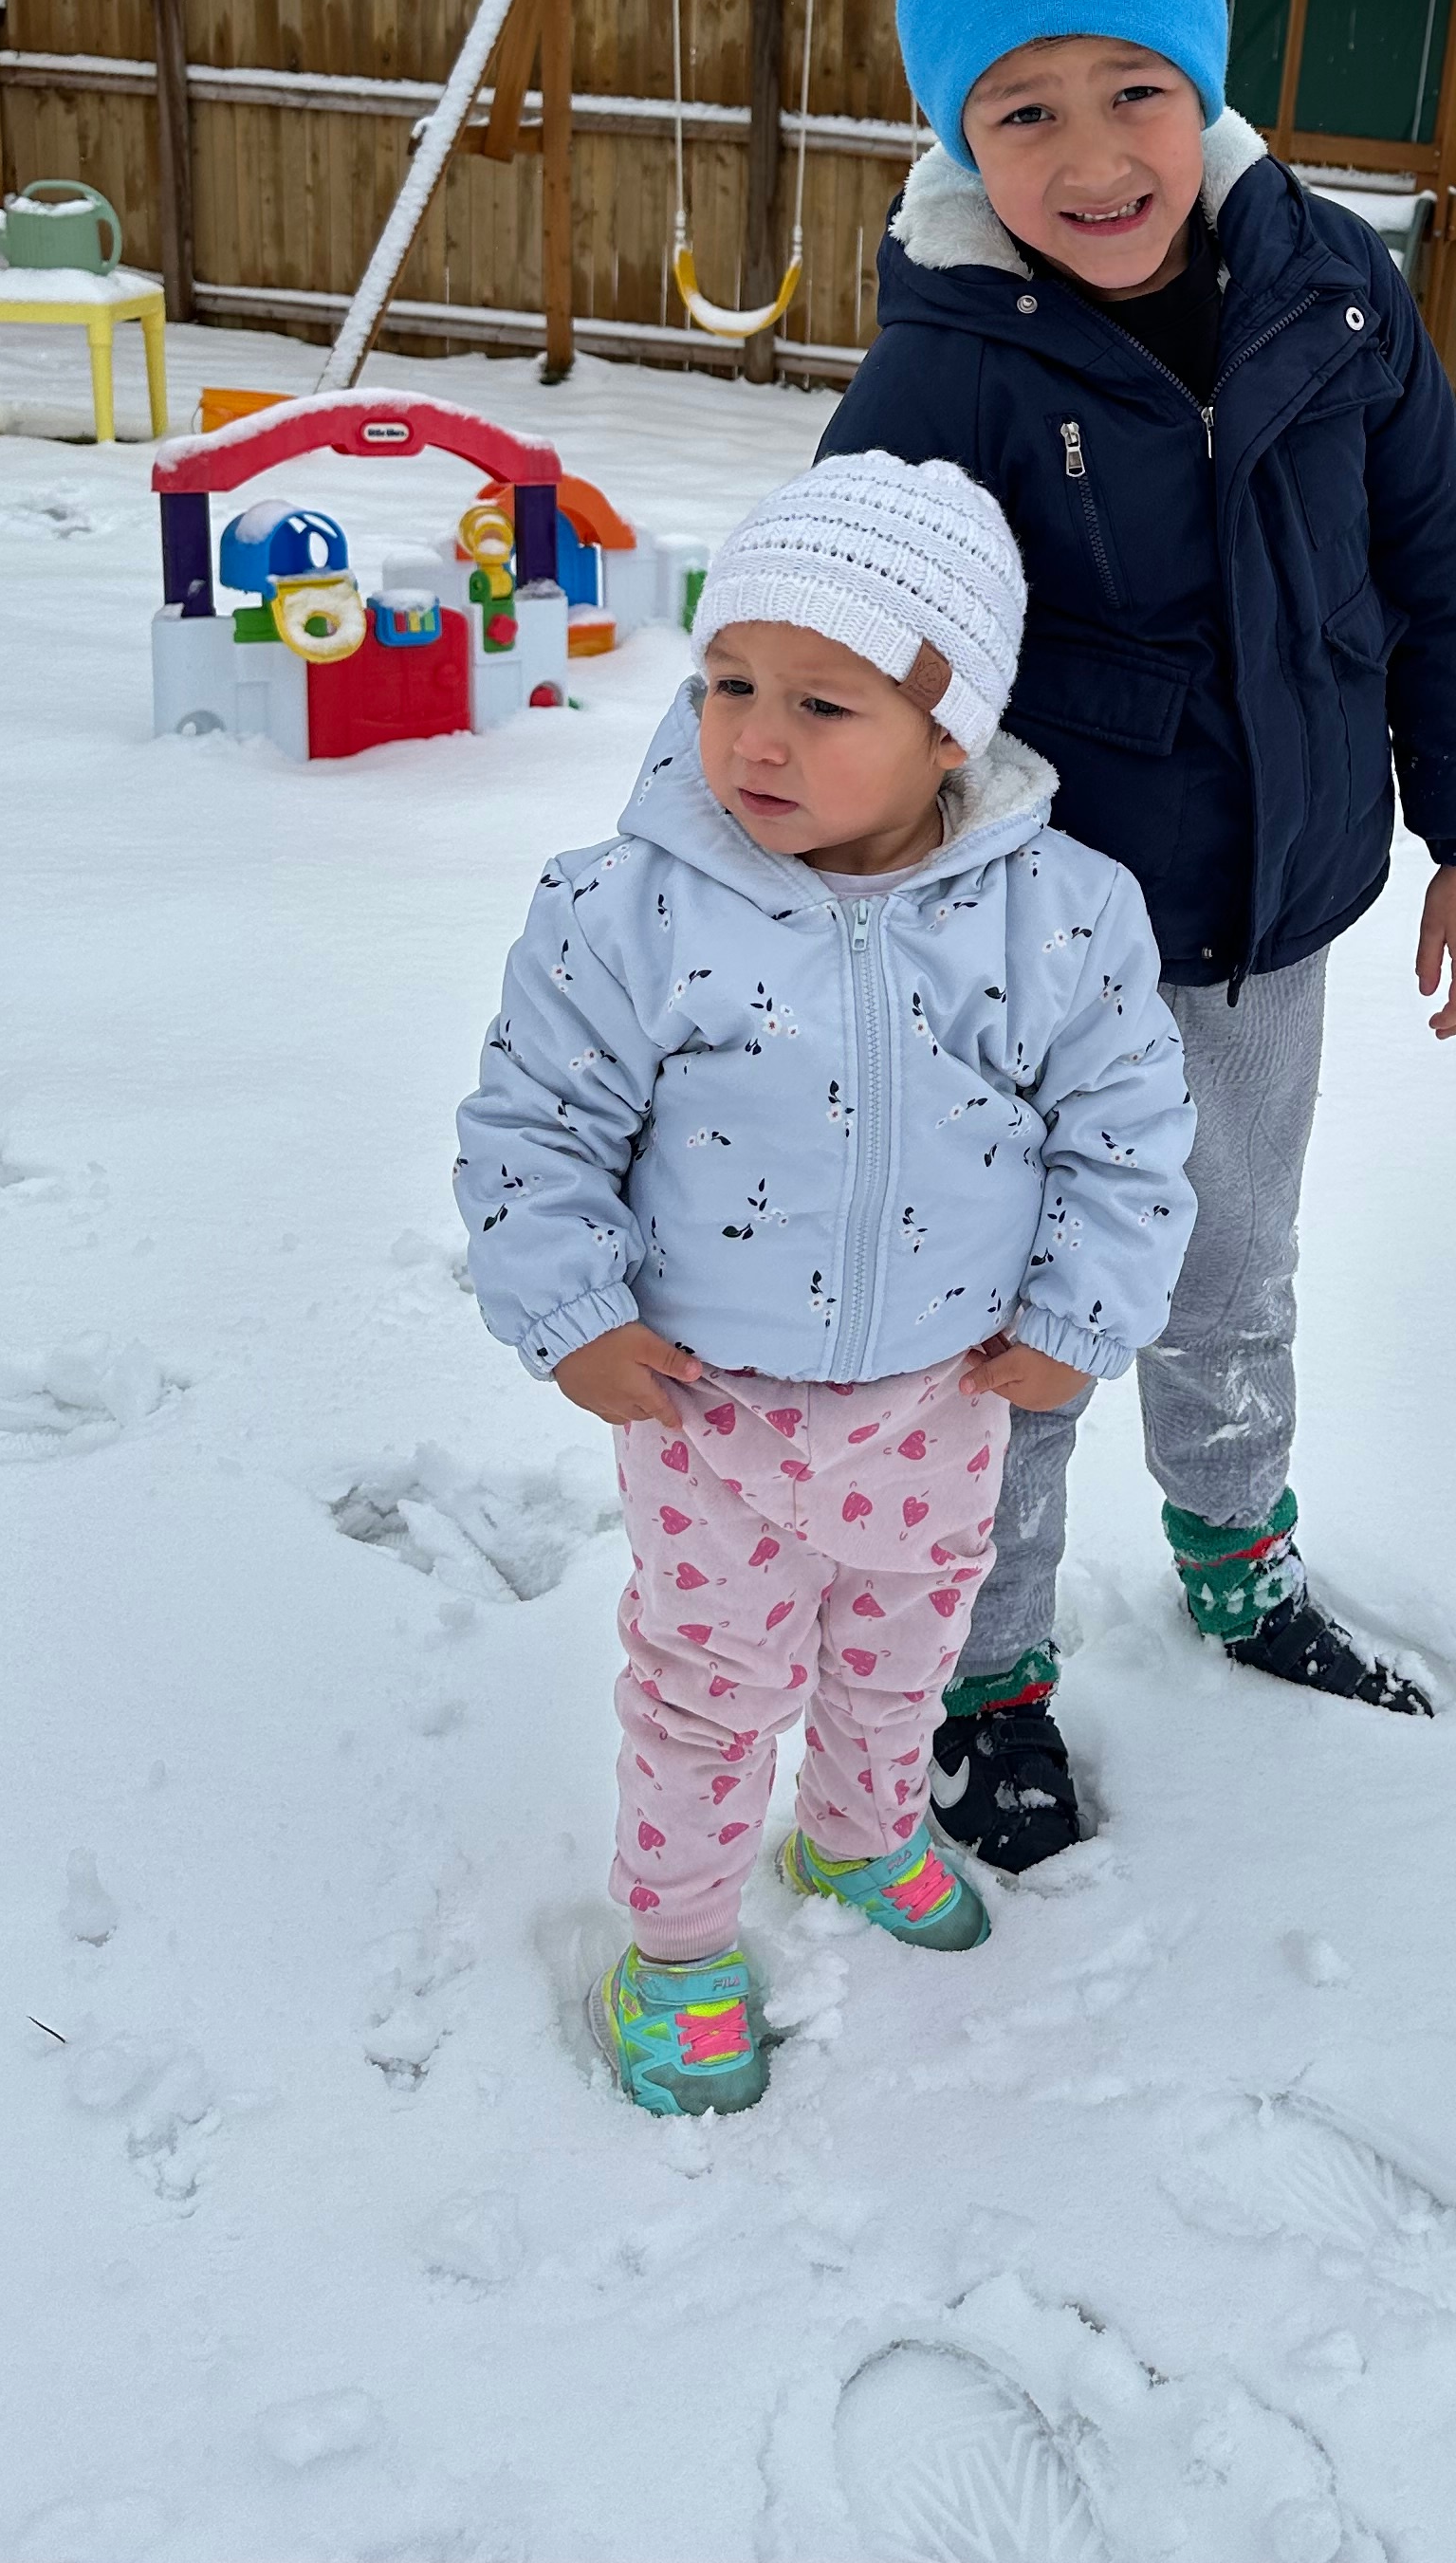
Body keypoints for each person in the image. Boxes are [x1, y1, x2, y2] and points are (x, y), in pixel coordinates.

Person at [817, 0, 1456, 1872]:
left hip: (1268, 925)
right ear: (962, 133)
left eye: (1132, 88)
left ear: (1202, 84)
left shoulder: (1332, 289)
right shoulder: (947, 359)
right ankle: (987, 1669)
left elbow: (1443, 565)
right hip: (1021, 964)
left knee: (1231, 1261)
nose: (1092, 153)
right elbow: (838, 649)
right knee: (1020, 1309)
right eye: (1021, 109)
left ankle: (1238, 1566)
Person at [454, 452, 1195, 2117]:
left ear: (951, 732)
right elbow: (535, 1124)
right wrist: (568, 1309)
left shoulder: (1060, 919)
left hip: (945, 1397)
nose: (755, 739)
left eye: (820, 702)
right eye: (726, 682)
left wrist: (1085, 1318)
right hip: (711, 1408)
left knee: (900, 1658)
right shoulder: (629, 906)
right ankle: (681, 1942)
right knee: (710, 1690)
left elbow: (1129, 1132)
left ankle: (859, 1839)